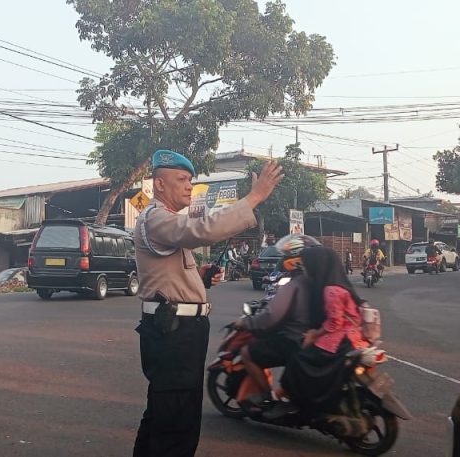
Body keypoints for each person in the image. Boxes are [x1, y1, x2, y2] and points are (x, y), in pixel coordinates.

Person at [132, 149, 283, 457]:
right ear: (159, 185)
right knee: (177, 422)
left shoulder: (166, 220)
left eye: (190, 179)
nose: (189, 185)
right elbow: (201, 231)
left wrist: (199, 277)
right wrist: (254, 198)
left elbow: (169, 275)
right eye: (181, 179)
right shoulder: (157, 217)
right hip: (173, 332)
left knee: (164, 415)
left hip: (178, 330)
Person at [280, 246, 369, 417]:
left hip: (339, 341)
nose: (305, 269)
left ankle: (300, 400)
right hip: (355, 337)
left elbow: (333, 323)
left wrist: (314, 334)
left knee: (298, 358)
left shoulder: (330, 290)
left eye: (307, 265)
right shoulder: (342, 284)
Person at [234, 234, 320, 412]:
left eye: (286, 256)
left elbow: (271, 317)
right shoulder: (315, 282)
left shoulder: (295, 285)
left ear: (294, 260)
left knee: (247, 352)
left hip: (294, 339)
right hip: (311, 338)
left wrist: (247, 322)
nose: (283, 260)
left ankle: (267, 397)